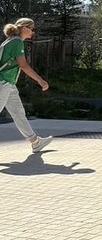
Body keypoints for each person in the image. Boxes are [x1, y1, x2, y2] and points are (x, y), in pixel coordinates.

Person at [0, 18, 52, 152]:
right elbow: (24, 66)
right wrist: (40, 80)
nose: (33, 32)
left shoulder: (11, 41)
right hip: (3, 83)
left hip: (9, 84)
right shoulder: (17, 42)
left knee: (18, 114)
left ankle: (35, 142)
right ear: (24, 28)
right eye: (32, 29)